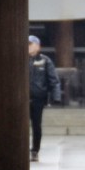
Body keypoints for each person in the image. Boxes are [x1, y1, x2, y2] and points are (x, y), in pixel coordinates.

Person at [28, 35, 61, 163]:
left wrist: (56, 97)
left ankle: (35, 150)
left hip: (38, 98)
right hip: (22, 98)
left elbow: (54, 80)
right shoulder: (20, 60)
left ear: (38, 46)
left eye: (31, 44)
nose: (28, 46)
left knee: (36, 125)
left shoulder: (45, 61)